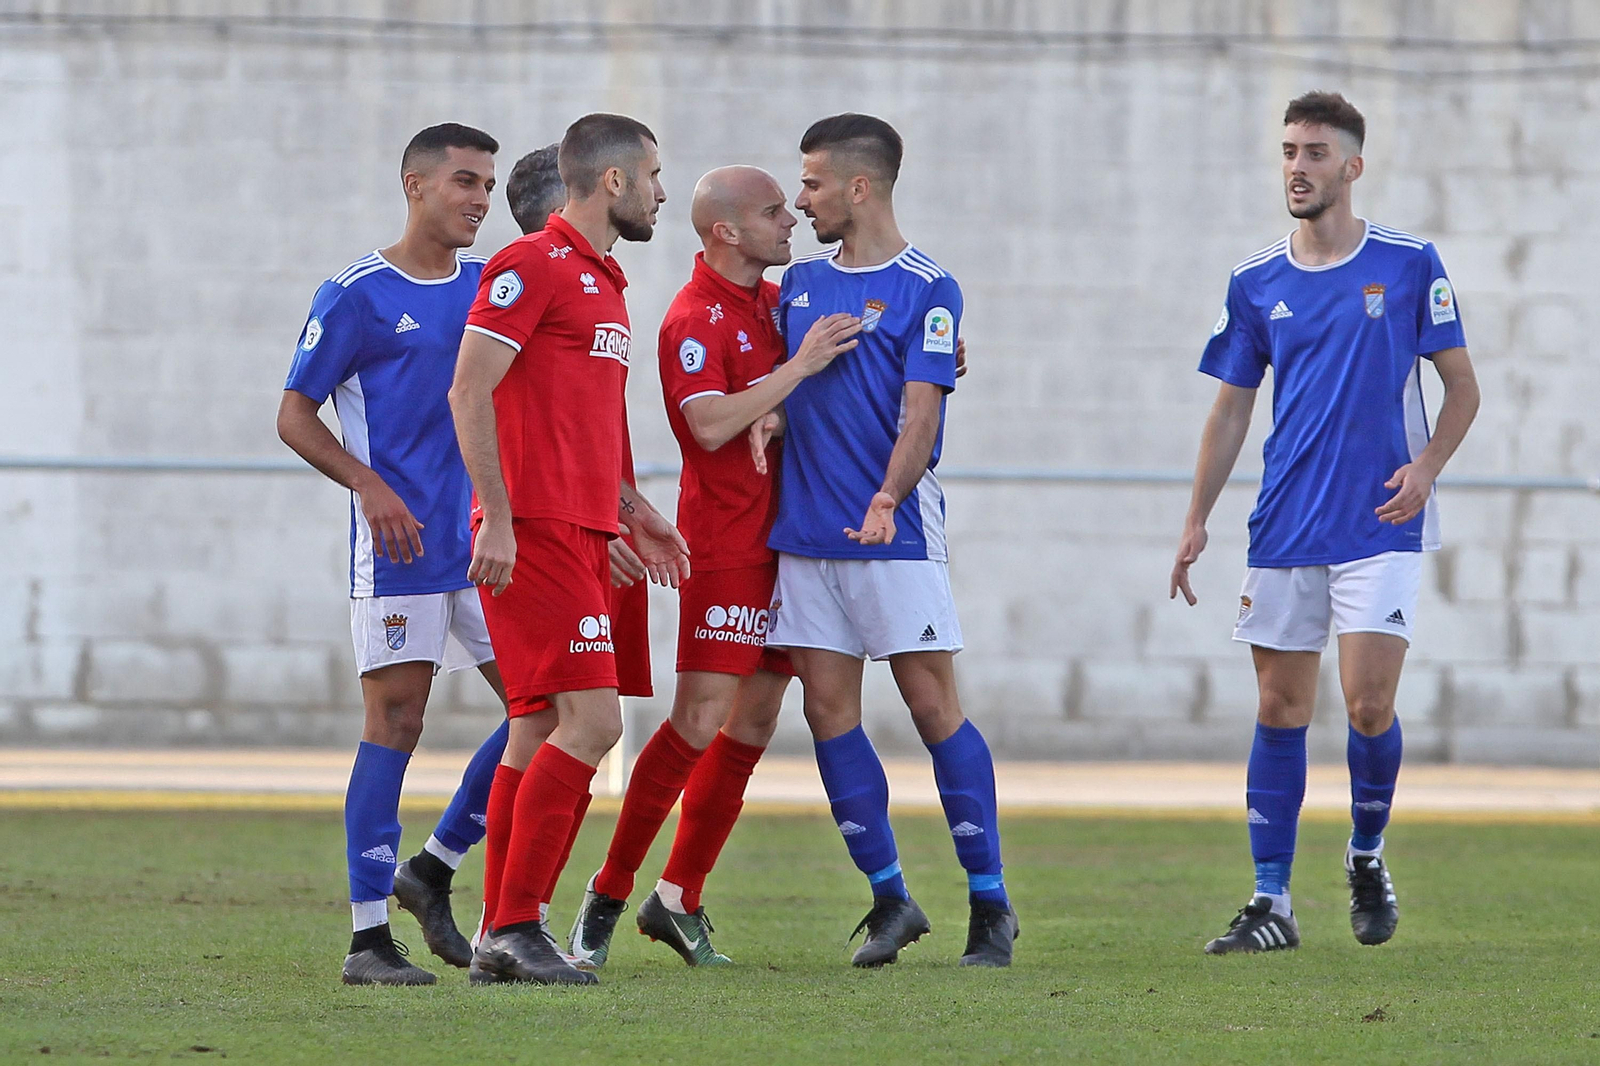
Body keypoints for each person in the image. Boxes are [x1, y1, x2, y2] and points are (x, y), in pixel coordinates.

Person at [1169, 91, 1480, 954]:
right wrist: (1196, 519)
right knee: (1279, 706)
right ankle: (1272, 902)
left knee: (1369, 704)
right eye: (1288, 151)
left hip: (1381, 519)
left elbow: (1463, 387)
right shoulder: (1256, 278)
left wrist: (1424, 472)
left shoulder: (1411, 262)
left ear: (1352, 165)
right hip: (1284, 528)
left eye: (1314, 152)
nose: (1296, 167)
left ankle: (1366, 854)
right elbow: (1231, 410)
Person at [566, 165, 864, 967]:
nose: (790, 221)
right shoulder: (692, 319)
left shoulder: (777, 305)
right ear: (726, 231)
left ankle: (678, 898)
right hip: (728, 543)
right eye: (774, 212)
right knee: (698, 720)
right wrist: (789, 377)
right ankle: (608, 893)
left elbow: (839, 371)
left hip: (795, 541)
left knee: (756, 723)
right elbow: (705, 426)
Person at [763, 114, 1018, 968]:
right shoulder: (794, 283)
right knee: (828, 712)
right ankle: (890, 900)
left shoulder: (927, 287)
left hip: (893, 535)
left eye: (812, 184)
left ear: (858, 187)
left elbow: (922, 410)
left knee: (931, 708)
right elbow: (766, 381)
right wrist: (767, 411)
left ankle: (990, 904)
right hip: (804, 537)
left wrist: (887, 496)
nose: (801, 202)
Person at [449, 113, 689, 987]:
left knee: (537, 728)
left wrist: (634, 510)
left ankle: (496, 932)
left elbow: (587, 420)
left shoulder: (606, 283)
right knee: (594, 724)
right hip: (539, 530)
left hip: (586, 529)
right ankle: (517, 925)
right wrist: (501, 519)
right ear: (613, 182)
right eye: (656, 175)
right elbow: (469, 389)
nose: (664, 191)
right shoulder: (530, 266)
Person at [277, 123, 520, 985]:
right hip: (401, 550)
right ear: (414, 184)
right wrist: (369, 486)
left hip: (488, 542)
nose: (479, 200)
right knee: (397, 724)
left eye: (488, 185)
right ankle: (368, 939)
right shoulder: (356, 293)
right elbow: (295, 414)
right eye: (464, 181)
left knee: (553, 713)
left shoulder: (494, 285)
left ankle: (437, 864)